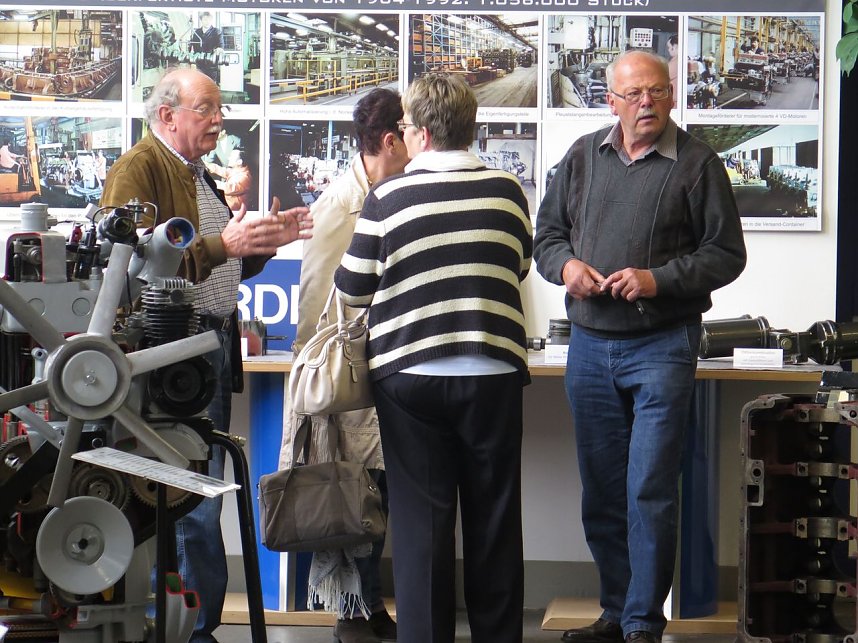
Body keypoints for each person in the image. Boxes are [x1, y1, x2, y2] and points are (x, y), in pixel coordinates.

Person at [533, 50, 746, 643]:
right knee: (602, 490)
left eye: (656, 92)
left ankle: (642, 625)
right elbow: (545, 235)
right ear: (612, 103)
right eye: (634, 95)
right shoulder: (582, 158)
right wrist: (567, 266)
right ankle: (614, 610)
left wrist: (658, 279)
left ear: (672, 95)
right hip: (590, 349)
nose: (646, 103)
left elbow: (727, 254)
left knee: (649, 488)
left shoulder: (699, 165)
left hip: (663, 345)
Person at [100, 67, 312, 643]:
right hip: (168, 354)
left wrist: (267, 243)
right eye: (207, 109)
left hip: (204, 349)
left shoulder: (194, 174)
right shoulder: (139, 170)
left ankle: (197, 626)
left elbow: (220, 261)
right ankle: (191, 632)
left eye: (220, 110)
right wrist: (227, 244)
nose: (220, 121)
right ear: (168, 115)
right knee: (186, 492)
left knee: (201, 487)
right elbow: (134, 265)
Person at [334, 73, 533, 643]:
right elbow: (515, 269)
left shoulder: (388, 197)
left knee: (423, 525)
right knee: (494, 520)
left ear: (418, 132)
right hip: (493, 373)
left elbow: (352, 288)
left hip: (410, 379)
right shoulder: (507, 191)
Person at [278, 87, 409, 643]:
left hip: (382, 368)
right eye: (411, 136)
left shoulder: (392, 192)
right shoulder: (340, 206)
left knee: (373, 488)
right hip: (347, 376)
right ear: (389, 140)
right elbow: (315, 301)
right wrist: (319, 375)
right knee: (353, 488)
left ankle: (366, 606)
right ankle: (352, 612)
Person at [190, 12, 224, 84]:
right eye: (205, 20)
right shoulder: (197, 32)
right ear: (201, 21)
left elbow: (221, 45)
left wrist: (219, 49)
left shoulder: (217, 32)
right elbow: (192, 45)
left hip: (212, 65)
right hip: (200, 64)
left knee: (211, 84)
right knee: (200, 84)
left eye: (209, 20)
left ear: (211, 20)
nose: (207, 22)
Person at [666, 35, 679, 108]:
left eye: (669, 47)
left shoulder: (674, 63)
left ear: (675, 47)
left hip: (675, 101)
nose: (668, 50)